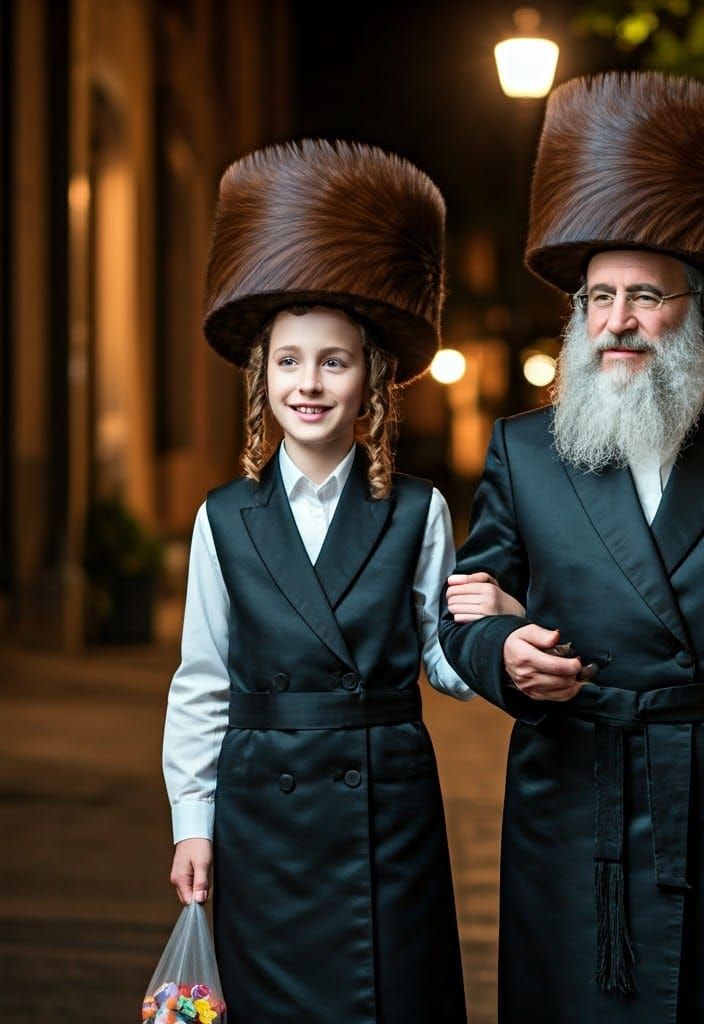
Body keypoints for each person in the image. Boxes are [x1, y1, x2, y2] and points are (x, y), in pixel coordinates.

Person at [440, 72, 704, 1023]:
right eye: (598, 298)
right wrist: (500, 654)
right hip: (571, 796)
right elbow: (463, 603)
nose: (617, 322)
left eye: (644, 296)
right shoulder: (523, 449)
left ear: (702, 310)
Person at [162, 139, 517, 1024]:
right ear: (263, 379)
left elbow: (440, 660)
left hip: (384, 812)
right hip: (260, 815)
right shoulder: (221, 516)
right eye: (289, 362)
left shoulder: (419, 511)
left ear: (373, 383)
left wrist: (499, 635)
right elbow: (202, 683)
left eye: (333, 361)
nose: (309, 384)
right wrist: (191, 823)